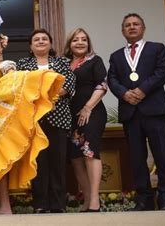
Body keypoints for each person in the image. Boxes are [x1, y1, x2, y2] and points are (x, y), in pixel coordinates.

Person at [0, 7, 65, 215]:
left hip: (0, 120)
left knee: (1, 161)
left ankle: (5, 206)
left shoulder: (8, 65)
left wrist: (40, 80)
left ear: (1, 46)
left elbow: (16, 88)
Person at [107, 13, 165, 211]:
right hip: (131, 113)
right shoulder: (117, 56)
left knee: (162, 155)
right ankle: (143, 199)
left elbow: (162, 72)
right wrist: (124, 94)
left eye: (136, 24)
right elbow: (112, 80)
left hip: (154, 111)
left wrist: (142, 90)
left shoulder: (156, 49)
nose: (132, 27)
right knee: (137, 159)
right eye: (127, 25)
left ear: (143, 28)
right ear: (122, 31)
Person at [16, 29, 76, 213]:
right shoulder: (23, 63)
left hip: (58, 119)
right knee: (38, 163)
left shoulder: (62, 62)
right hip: (33, 119)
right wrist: (45, 93)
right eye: (36, 39)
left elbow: (69, 83)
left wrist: (47, 93)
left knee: (58, 162)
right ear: (30, 45)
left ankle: (58, 205)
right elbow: (20, 86)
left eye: (44, 39)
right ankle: (40, 204)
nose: (40, 42)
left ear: (50, 44)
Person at [64, 28, 107, 212]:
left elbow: (102, 85)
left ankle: (95, 200)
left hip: (92, 112)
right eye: (76, 40)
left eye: (83, 39)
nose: (80, 42)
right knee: (75, 157)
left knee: (90, 152)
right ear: (69, 44)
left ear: (88, 43)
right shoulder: (63, 63)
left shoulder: (94, 61)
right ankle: (87, 197)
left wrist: (88, 107)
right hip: (70, 115)